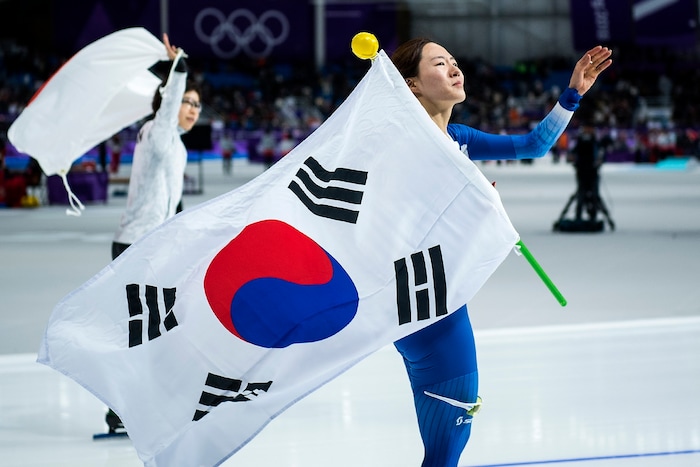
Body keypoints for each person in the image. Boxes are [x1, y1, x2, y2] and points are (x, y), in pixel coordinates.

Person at [390, 38, 611, 466]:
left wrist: (573, 95)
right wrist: (465, 210)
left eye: (455, 61)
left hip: (437, 300)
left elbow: (533, 145)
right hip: (427, 307)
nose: (455, 69)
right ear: (412, 84)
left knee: (445, 448)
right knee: (445, 451)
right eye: (440, 64)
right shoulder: (400, 145)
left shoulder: (457, 137)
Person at [107, 33, 202, 433]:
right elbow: (168, 104)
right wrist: (178, 65)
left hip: (156, 246)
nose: (193, 110)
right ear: (168, 102)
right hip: (135, 245)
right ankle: (124, 408)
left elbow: (172, 203)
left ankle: (142, 405)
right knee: (146, 331)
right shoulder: (158, 132)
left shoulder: (175, 145)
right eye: (187, 102)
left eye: (198, 105)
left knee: (163, 329)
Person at [571, 124, 603, 221]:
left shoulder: (595, 141)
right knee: (581, 195)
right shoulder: (581, 141)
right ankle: (579, 217)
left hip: (591, 172)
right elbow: (573, 153)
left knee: (593, 195)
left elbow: (600, 155)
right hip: (583, 172)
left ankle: (592, 216)